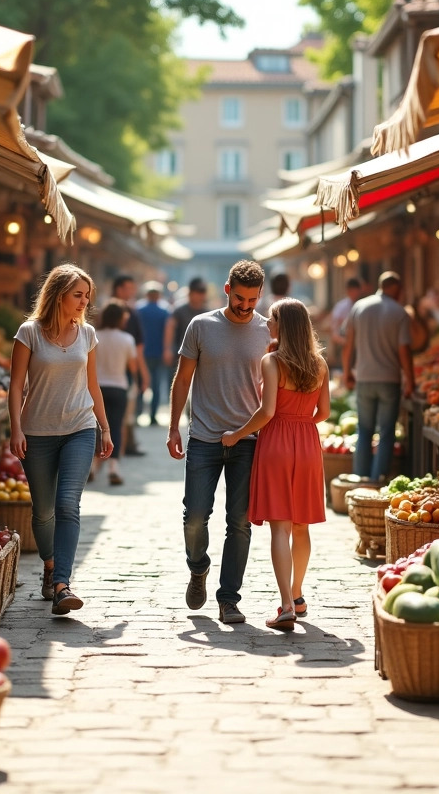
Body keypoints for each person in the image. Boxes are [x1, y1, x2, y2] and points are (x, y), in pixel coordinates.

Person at [168, 260, 271, 625]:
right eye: (240, 298)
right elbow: (182, 380)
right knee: (195, 517)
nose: (245, 306)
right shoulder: (201, 326)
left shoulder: (267, 330)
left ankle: (229, 599)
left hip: (249, 439)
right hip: (204, 437)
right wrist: (173, 427)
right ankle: (198, 568)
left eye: (252, 300)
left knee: (239, 522)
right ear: (227, 290)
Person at [8, 264, 114, 615]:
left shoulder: (88, 335)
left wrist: (105, 428)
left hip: (79, 428)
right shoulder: (30, 333)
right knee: (43, 512)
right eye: (78, 295)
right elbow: (15, 387)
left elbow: (93, 384)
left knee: (68, 504)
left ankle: (62, 584)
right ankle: (50, 564)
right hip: (36, 431)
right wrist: (16, 429)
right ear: (58, 295)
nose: (85, 301)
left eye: (87, 295)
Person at [221, 298, 331, 630]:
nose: (267, 323)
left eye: (271, 319)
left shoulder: (272, 362)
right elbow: (323, 413)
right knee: (301, 526)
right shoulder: (320, 365)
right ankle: (297, 594)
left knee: (280, 527)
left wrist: (236, 435)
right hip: (308, 443)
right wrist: (302, 419)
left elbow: (266, 412)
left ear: (283, 325)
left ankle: (285, 605)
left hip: (277, 443)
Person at [341, 271, 415, 483]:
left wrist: (347, 373)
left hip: (363, 378)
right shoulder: (400, 312)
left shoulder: (359, 307)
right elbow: (404, 351)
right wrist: (410, 382)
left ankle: (359, 478)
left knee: (364, 430)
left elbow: (348, 346)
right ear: (396, 288)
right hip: (389, 380)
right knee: (386, 432)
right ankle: (377, 480)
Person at [91, 300, 138, 486]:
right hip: (119, 387)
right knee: (116, 427)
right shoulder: (127, 339)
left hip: (96, 387)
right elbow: (132, 366)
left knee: (95, 428)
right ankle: (113, 467)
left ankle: (93, 467)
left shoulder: (94, 335)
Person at [111, 275, 148, 456]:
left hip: (103, 373)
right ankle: (118, 455)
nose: (131, 292)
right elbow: (138, 347)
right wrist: (142, 373)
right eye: (128, 288)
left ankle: (122, 448)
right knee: (124, 417)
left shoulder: (102, 312)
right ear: (118, 289)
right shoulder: (130, 314)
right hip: (124, 372)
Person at [136, 281, 171, 427]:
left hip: (141, 353)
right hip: (158, 352)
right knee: (156, 385)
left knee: (141, 384)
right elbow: (168, 332)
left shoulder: (138, 309)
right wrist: (166, 349)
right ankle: (153, 416)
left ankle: (137, 414)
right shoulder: (165, 311)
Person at [164, 277, 209, 371]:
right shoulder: (179, 310)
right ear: (191, 293)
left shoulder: (207, 312)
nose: (201, 296)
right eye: (198, 293)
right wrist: (167, 349)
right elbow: (170, 328)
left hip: (199, 358)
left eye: (203, 293)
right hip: (179, 355)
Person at [328, 277, 364, 370]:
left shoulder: (364, 306)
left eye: (356, 291)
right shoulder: (341, 307)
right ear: (348, 291)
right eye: (352, 291)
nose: (354, 293)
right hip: (344, 345)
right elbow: (334, 332)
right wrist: (347, 342)